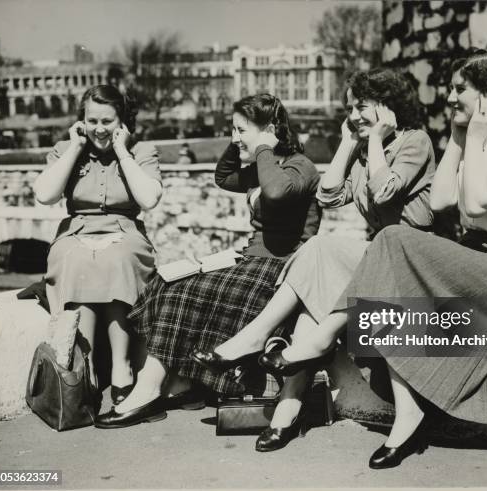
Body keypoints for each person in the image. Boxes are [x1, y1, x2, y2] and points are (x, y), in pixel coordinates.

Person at [258, 49, 487, 468]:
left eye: (459, 90)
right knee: (326, 248)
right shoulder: (470, 140)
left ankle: (322, 339)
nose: (450, 98)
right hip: (471, 257)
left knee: (393, 237)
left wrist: (476, 138)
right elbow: (446, 199)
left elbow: (478, 200)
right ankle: (387, 405)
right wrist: (457, 139)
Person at [192, 67, 436, 451]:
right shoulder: (359, 148)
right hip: (381, 254)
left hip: (416, 258)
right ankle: (287, 409)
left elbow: (384, 191)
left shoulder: (414, 141)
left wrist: (373, 140)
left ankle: (260, 349)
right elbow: (328, 196)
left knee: (317, 253)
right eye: (349, 108)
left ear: (388, 107)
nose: (353, 115)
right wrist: (346, 144)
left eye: (361, 107)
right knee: (313, 271)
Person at [95, 93, 322, 428]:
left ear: (269, 129)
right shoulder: (264, 165)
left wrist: (261, 146)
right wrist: (243, 142)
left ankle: (149, 390)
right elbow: (224, 176)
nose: (234, 136)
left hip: (282, 267)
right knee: (170, 283)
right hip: (251, 259)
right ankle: (180, 384)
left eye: (240, 129)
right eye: (233, 129)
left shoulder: (299, 166)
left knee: (192, 296)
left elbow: (275, 192)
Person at [34, 85, 162, 405]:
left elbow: (148, 199)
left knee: (117, 259)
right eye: (92, 121)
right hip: (77, 229)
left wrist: (122, 151)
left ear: (122, 121)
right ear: (82, 120)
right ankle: (84, 370)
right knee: (76, 260)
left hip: (125, 229)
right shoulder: (66, 147)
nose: (99, 129)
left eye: (108, 121)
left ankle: (122, 365)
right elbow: (45, 194)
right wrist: (75, 148)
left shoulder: (142, 151)